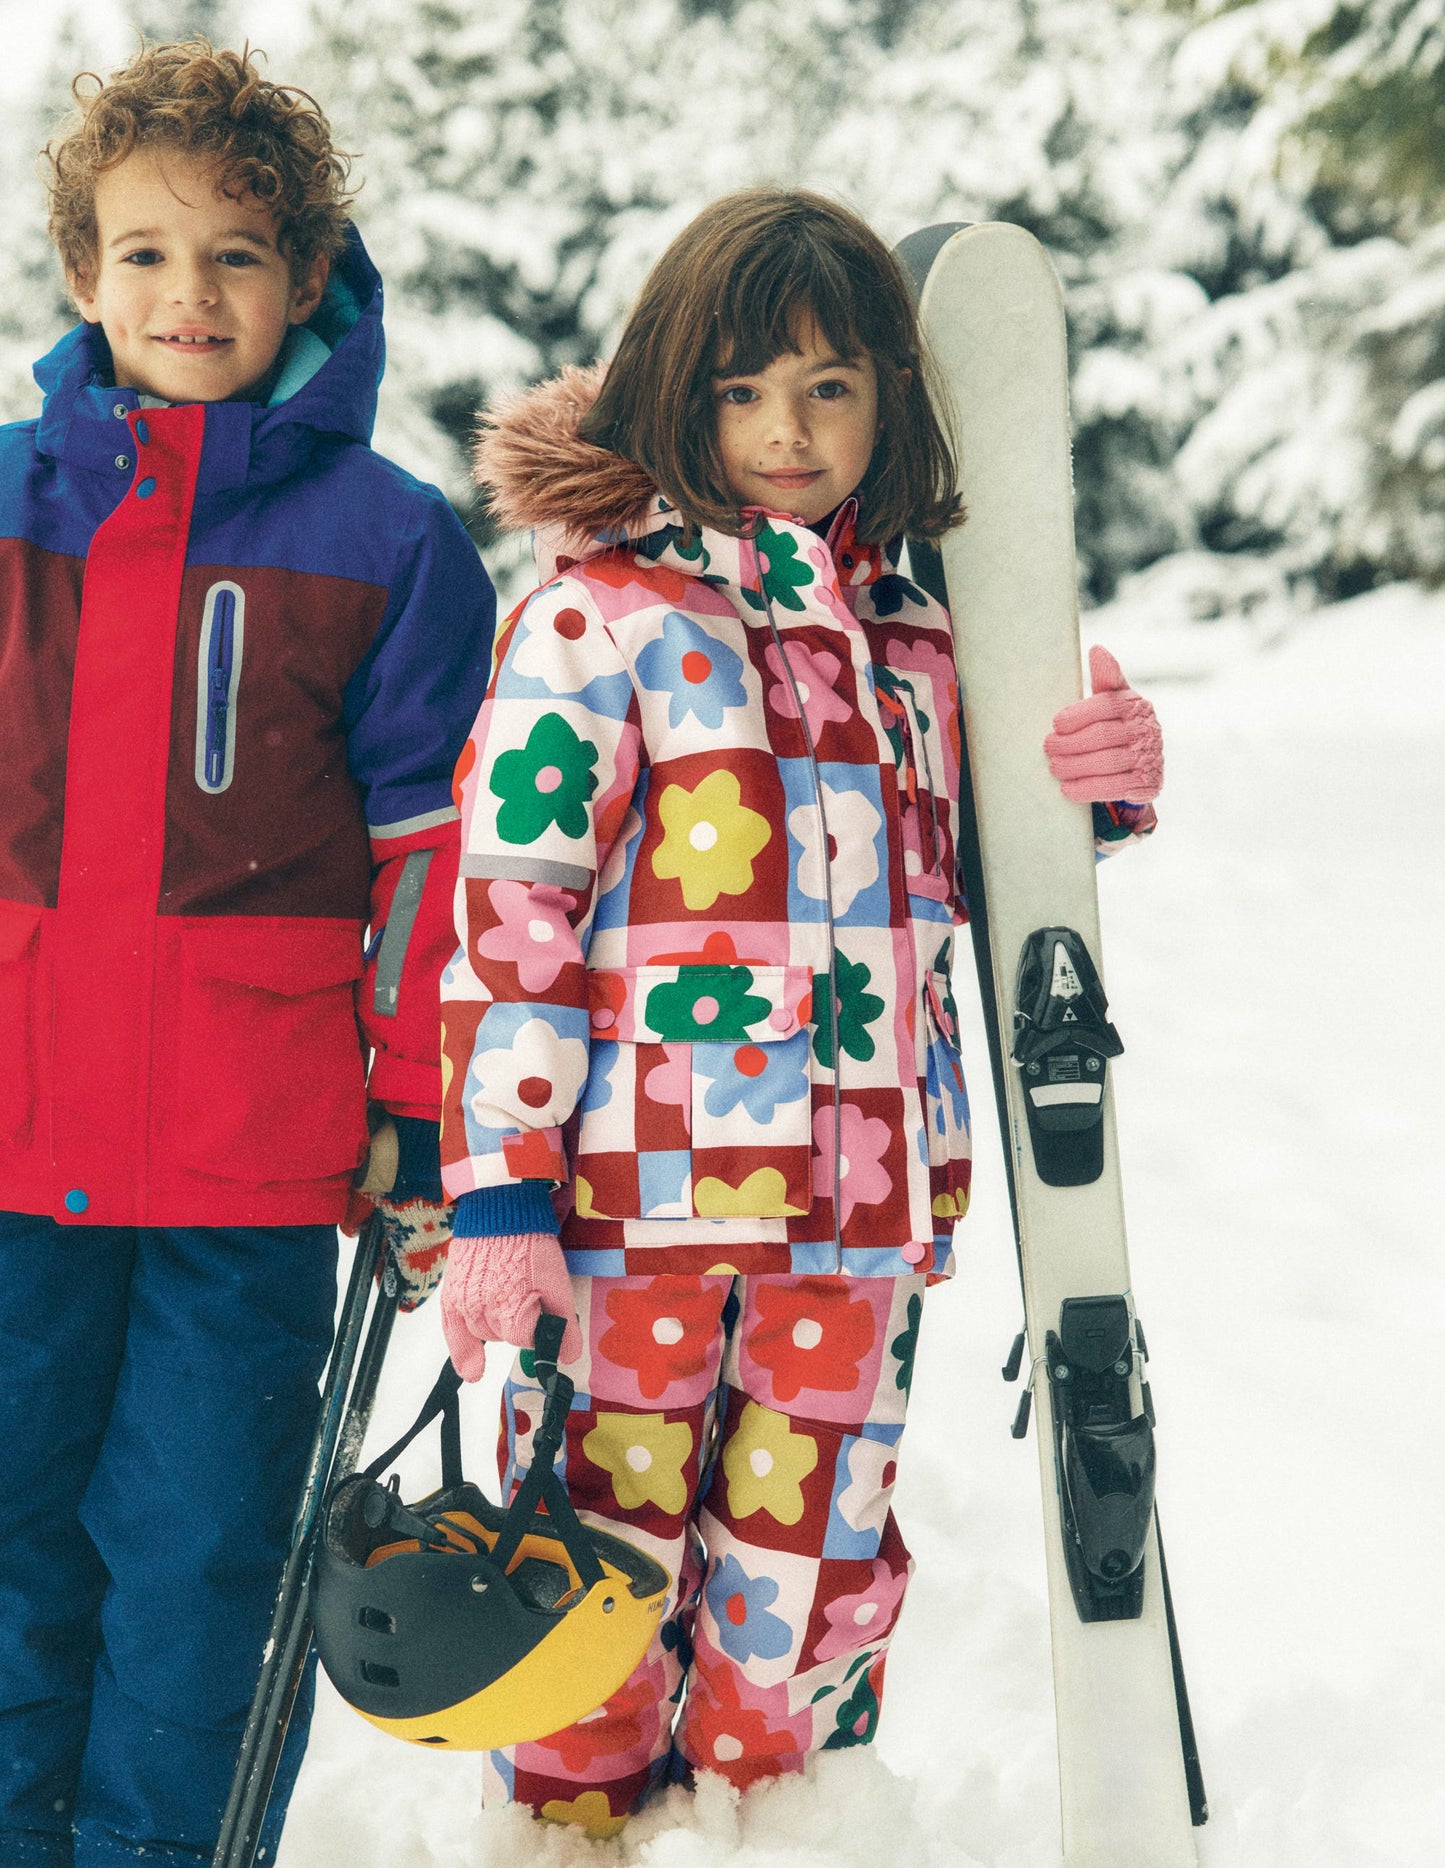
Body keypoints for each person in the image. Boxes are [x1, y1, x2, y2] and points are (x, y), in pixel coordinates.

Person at [437, 189, 1160, 1837]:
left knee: (810, 1580)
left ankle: (771, 1832)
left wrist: (1093, 794)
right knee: (594, 1572)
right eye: (742, 389)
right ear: (671, 391)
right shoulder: (598, 620)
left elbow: (986, 865)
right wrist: (498, 1190)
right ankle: (573, 1837)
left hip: (858, 1220)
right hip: (626, 1220)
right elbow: (512, 918)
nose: (787, 432)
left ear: (887, 403)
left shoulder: (918, 640)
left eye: (830, 388)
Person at [0, 39, 493, 1868]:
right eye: (144, 251)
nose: (187, 293)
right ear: (81, 273)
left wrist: (419, 1104)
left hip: (250, 1162)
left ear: (304, 280)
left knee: (204, 1557)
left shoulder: (390, 544)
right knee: (10, 1539)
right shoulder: (5, 506)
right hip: (12, 1141)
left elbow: (434, 862)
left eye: (234, 254)